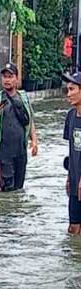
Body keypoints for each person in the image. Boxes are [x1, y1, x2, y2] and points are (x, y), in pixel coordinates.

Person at [0, 63, 38, 192]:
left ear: (17, 79)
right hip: (2, 152)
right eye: (4, 77)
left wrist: (34, 141)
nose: (7, 80)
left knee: (18, 188)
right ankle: (4, 211)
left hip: (20, 150)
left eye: (10, 76)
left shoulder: (23, 97)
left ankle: (16, 212)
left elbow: (30, 121)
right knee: (7, 189)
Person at [62, 71, 81, 235]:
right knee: (73, 229)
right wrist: (70, 176)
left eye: (72, 89)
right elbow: (72, 149)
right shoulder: (71, 116)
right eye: (67, 90)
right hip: (75, 183)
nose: (68, 94)